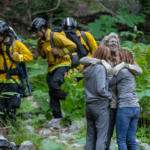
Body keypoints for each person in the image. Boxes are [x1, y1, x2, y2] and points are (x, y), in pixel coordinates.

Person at [100, 32, 142, 150]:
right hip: (115, 103)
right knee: (124, 138)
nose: (114, 43)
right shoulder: (104, 56)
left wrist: (124, 64)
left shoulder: (123, 60)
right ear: (106, 44)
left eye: (116, 41)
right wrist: (103, 63)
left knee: (122, 139)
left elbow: (139, 70)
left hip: (123, 106)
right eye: (111, 41)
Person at [29, 18, 77, 121]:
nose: (36, 34)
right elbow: (41, 53)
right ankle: (57, 117)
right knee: (51, 91)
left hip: (63, 63)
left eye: (36, 31)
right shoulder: (40, 41)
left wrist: (60, 51)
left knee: (55, 84)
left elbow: (72, 46)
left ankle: (70, 99)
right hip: (51, 66)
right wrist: (41, 54)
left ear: (43, 29)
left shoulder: (55, 36)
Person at [0, 21, 33, 125]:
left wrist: (18, 57)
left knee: (11, 107)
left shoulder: (16, 44)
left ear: (5, 34)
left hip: (13, 81)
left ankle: (13, 129)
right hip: (0, 81)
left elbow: (29, 56)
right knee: (0, 107)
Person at [81, 45, 112, 150]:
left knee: (90, 136)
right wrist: (110, 96)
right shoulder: (100, 68)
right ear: (104, 56)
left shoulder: (87, 68)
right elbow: (100, 89)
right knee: (101, 137)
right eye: (108, 56)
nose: (109, 59)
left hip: (89, 106)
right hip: (100, 106)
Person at [109, 49, 140, 150]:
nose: (114, 58)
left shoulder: (122, 71)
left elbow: (108, 83)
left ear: (122, 58)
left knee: (121, 140)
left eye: (116, 56)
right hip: (135, 107)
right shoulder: (131, 71)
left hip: (125, 108)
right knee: (131, 139)